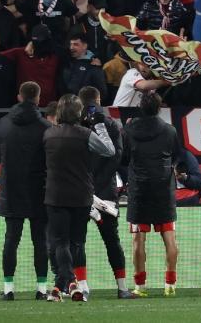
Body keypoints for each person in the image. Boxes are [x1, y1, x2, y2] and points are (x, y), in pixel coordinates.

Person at [42, 94, 116, 301]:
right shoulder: (85, 134)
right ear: (78, 112)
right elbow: (109, 151)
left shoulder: (48, 134)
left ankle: (63, 285)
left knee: (60, 242)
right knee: (76, 242)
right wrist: (99, 126)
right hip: (81, 195)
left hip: (55, 195)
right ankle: (70, 285)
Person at [0, 82, 50, 301]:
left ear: (19, 96)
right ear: (38, 98)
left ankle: (8, 289)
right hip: (39, 191)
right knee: (41, 240)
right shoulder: (45, 127)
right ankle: (42, 290)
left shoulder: (3, 124)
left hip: (11, 190)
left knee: (11, 239)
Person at [123, 90, 181, 298]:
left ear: (141, 107)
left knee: (139, 239)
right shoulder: (170, 130)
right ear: (159, 108)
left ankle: (140, 286)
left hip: (139, 189)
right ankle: (170, 285)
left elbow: (123, 157)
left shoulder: (128, 129)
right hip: (163, 190)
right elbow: (176, 156)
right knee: (170, 238)